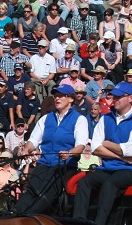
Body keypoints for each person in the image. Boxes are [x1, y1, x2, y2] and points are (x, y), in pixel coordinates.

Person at [73, 81, 132, 225]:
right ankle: (78, 224)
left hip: (130, 169)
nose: (115, 100)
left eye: (119, 97)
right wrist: (119, 155)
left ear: (131, 98)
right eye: (114, 97)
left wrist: (106, 143)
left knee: (110, 184)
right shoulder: (106, 118)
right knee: (84, 182)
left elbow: (130, 151)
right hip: (110, 166)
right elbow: (95, 148)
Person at [14, 84, 89, 215]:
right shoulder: (45, 118)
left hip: (64, 167)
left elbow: (81, 146)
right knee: (31, 190)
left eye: (61, 96)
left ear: (71, 99)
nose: (57, 99)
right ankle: (15, 214)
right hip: (45, 163)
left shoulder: (80, 119)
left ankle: (27, 218)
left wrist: (69, 153)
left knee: (45, 195)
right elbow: (33, 141)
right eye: (55, 96)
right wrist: (26, 149)